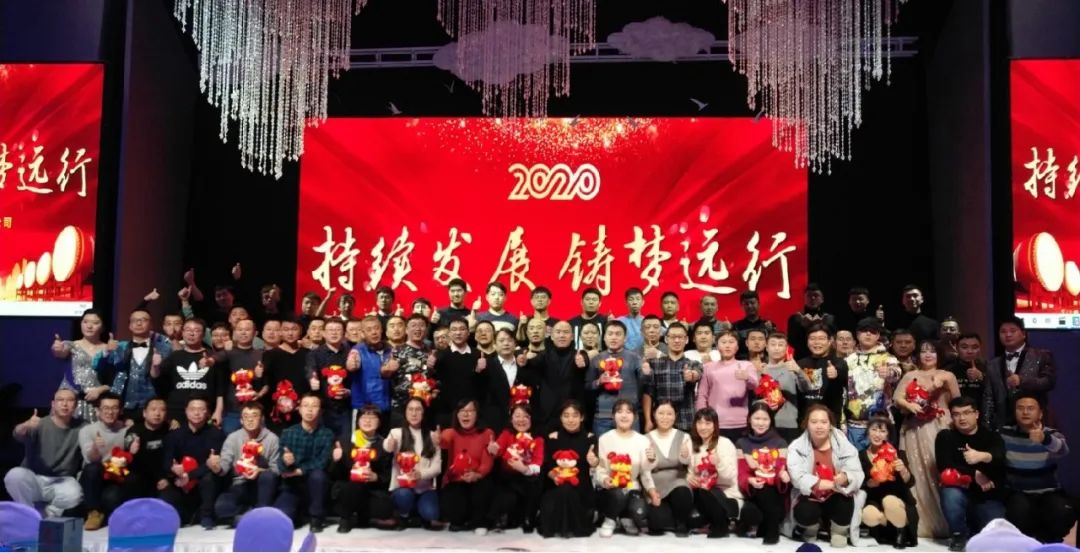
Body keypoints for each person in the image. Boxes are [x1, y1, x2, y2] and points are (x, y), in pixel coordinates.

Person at [893, 340, 959, 539]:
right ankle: (921, 522)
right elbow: (897, 398)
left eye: (932, 351)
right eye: (923, 351)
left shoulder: (948, 375)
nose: (927, 355)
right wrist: (909, 405)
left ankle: (948, 522)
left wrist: (942, 383)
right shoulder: (910, 375)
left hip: (940, 426)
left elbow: (957, 402)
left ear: (939, 355)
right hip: (915, 428)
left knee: (938, 469)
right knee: (916, 472)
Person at [783, 403, 864, 548]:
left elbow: (856, 471)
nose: (819, 426)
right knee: (804, 511)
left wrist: (846, 477)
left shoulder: (843, 444)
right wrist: (831, 484)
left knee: (845, 502)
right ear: (806, 424)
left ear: (830, 424)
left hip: (837, 495)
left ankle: (839, 532)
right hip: (812, 496)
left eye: (824, 422)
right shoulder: (796, 447)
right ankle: (811, 529)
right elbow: (797, 477)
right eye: (814, 422)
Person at [934, 395, 1007, 551]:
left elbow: (1000, 458)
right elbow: (945, 466)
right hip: (960, 489)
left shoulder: (991, 436)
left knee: (993, 536)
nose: (962, 418)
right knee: (950, 493)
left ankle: (976, 529)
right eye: (956, 414)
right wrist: (975, 474)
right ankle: (958, 535)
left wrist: (983, 456)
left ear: (977, 414)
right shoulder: (945, 436)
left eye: (967, 412)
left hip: (987, 493)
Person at [1001, 392, 1075, 543]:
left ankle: (1049, 542)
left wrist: (1044, 439)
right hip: (1017, 491)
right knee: (1019, 512)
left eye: (1030, 408)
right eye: (1020, 408)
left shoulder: (1051, 434)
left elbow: (1063, 449)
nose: (1025, 412)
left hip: (1048, 491)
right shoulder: (1004, 433)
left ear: (1040, 413)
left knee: (1062, 512)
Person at [5, 389, 85, 518]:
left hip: (62, 480)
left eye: (70, 400)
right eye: (60, 400)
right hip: (34, 478)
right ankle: (28, 514)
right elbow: (17, 434)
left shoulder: (82, 427)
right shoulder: (39, 424)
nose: (65, 404)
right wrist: (26, 425)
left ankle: (45, 515)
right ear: (53, 404)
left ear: (75, 405)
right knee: (14, 476)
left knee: (75, 495)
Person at [159, 395, 227, 528]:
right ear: (186, 411)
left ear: (207, 412)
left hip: (203, 480)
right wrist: (173, 469)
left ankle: (207, 516)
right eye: (192, 409)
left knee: (209, 478)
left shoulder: (216, 434)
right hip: (180, 481)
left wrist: (189, 476)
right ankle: (184, 516)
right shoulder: (174, 435)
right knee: (165, 496)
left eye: (201, 409)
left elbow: (212, 464)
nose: (196, 413)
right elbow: (166, 460)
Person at [97, 309, 173, 421]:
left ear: (151, 325)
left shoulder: (163, 349)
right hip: (123, 405)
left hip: (152, 406)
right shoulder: (119, 347)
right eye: (135, 320)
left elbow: (167, 378)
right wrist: (107, 352)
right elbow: (101, 370)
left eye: (143, 320)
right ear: (129, 326)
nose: (139, 323)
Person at [212, 402, 280, 527]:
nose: (250, 419)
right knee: (221, 507)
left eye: (254, 415)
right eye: (246, 416)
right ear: (241, 420)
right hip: (240, 484)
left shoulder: (272, 439)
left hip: (263, 486)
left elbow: (277, 469)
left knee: (268, 477)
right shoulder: (233, 438)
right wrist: (216, 467)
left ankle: (259, 513)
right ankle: (250, 513)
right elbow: (224, 466)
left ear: (262, 418)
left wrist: (259, 471)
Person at [594, 399, 656, 537]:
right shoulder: (604, 439)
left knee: (639, 511)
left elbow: (645, 471)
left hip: (632, 487)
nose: (624, 415)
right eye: (619, 411)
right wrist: (604, 479)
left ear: (635, 416)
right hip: (611, 487)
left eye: (628, 412)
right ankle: (610, 519)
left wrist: (651, 489)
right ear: (613, 416)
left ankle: (625, 516)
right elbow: (600, 468)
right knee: (618, 494)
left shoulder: (642, 440)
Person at [983, 316, 1056, 430]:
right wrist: (986, 427)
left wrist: (1022, 381)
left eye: (1012, 331)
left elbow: (1048, 382)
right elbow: (989, 397)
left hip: (1034, 424)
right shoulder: (993, 364)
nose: (1008, 335)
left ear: (1023, 334)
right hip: (1003, 425)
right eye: (1003, 332)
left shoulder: (1041, 356)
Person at [538, 400, 598, 538]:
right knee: (562, 490)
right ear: (560, 417)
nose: (571, 420)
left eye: (575, 415)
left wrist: (594, 461)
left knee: (568, 490)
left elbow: (595, 463)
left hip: (580, 486)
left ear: (582, 417)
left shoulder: (590, 438)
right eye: (566, 415)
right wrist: (554, 476)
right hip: (556, 484)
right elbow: (547, 466)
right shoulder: (553, 437)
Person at [274, 394, 334, 531]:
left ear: (321, 411)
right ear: (299, 410)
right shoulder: (288, 433)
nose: (309, 409)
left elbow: (323, 461)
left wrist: (300, 471)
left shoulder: (327, 434)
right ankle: (299, 513)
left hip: (315, 485)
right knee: (283, 519)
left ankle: (316, 518)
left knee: (318, 475)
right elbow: (280, 464)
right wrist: (286, 462)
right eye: (305, 406)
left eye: (314, 406)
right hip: (293, 485)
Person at [330, 405, 393, 533]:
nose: (367, 421)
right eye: (364, 417)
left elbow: (387, 474)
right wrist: (337, 460)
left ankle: (363, 515)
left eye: (372, 417)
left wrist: (376, 477)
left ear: (379, 422)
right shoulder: (345, 440)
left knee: (385, 509)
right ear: (358, 421)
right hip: (348, 487)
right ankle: (345, 518)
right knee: (354, 484)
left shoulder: (384, 444)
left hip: (371, 490)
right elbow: (332, 473)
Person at [859, 415, 919, 548]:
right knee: (868, 515)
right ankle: (890, 528)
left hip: (899, 501)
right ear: (868, 432)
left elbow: (910, 482)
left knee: (889, 501)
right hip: (876, 501)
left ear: (888, 435)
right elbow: (859, 483)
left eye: (882, 431)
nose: (877, 434)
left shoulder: (897, 453)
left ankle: (902, 531)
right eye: (874, 430)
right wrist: (869, 483)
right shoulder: (861, 455)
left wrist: (903, 470)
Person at [439, 399, 496, 534]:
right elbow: (444, 442)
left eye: (470, 411)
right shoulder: (451, 432)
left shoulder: (487, 433)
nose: (465, 414)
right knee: (455, 517)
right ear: (457, 414)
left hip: (478, 478)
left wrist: (477, 475)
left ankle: (480, 522)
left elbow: (486, 463)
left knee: (482, 489)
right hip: (456, 479)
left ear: (477, 414)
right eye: (462, 411)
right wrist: (438, 440)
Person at [735, 403, 790, 545]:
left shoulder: (780, 443)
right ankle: (769, 527)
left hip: (775, 490)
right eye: (757, 418)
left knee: (768, 488)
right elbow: (742, 473)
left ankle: (770, 529)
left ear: (771, 421)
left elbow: (780, 470)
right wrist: (750, 480)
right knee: (761, 489)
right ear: (749, 419)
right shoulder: (742, 443)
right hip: (753, 490)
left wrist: (782, 476)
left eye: (765, 419)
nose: (761, 423)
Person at [384, 397, 442, 528]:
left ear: (423, 412)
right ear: (405, 412)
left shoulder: (433, 436)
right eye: (410, 409)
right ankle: (404, 514)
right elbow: (387, 446)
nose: (414, 413)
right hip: (403, 488)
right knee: (404, 496)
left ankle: (418, 512)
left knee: (431, 513)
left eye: (418, 409)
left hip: (425, 488)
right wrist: (389, 445)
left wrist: (420, 474)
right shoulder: (396, 433)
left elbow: (437, 468)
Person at [155, 318, 224, 428]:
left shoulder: (212, 357)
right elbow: (158, 380)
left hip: (204, 412)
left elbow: (220, 389)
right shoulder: (175, 356)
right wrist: (154, 365)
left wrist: (218, 411)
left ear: (203, 335)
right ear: (182, 333)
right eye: (188, 330)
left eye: (196, 330)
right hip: (176, 411)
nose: (192, 333)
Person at [843, 317, 901, 449]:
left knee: (882, 461)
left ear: (878, 335)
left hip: (881, 425)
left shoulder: (888, 358)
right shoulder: (848, 360)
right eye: (864, 330)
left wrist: (889, 373)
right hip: (854, 424)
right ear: (857, 334)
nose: (868, 333)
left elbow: (896, 373)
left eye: (873, 331)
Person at [686, 406, 744, 538]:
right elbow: (690, 472)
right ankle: (718, 521)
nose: (703, 427)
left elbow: (730, 477)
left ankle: (721, 524)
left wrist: (718, 464)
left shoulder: (724, 443)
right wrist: (689, 477)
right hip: (702, 493)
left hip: (725, 492)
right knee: (692, 518)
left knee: (706, 491)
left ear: (715, 425)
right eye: (699, 423)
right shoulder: (693, 445)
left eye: (708, 423)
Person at [486, 403, 545, 532]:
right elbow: (498, 450)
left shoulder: (538, 439)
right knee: (505, 493)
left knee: (534, 485)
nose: (521, 420)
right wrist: (492, 450)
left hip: (529, 479)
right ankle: (499, 517)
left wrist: (524, 469)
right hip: (508, 478)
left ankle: (529, 518)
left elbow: (538, 464)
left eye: (525, 416)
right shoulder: (507, 434)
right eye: (517, 416)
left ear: (531, 419)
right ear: (511, 419)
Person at [585, 321, 649, 435]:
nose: (613, 337)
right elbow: (587, 385)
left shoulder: (634, 357)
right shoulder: (596, 359)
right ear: (604, 337)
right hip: (603, 417)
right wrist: (599, 381)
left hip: (629, 415)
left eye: (618, 334)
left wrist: (647, 372)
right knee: (602, 447)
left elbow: (645, 379)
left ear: (625, 338)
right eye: (610, 334)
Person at [77, 392, 129, 530]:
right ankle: (93, 512)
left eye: (114, 408)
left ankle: (106, 515)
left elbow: (129, 459)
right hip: (92, 478)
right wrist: (95, 447)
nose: (110, 412)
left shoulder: (126, 430)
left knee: (112, 498)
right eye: (106, 408)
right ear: (98, 411)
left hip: (114, 477)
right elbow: (90, 459)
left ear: (120, 411)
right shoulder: (87, 430)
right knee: (93, 468)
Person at [52, 309, 113, 422]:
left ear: (103, 327)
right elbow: (60, 352)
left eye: (95, 323)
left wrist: (99, 390)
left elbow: (116, 378)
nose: (89, 326)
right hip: (71, 400)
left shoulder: (108, 348)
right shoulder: (71, 345)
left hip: (95, 400)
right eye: (85, 322)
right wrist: (57, 349)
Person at [696, 330, 758, 442]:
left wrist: (747, 377)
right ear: (717, 346)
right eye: (723, 342)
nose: (727, 345)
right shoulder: (708, 367)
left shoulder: (746, 365)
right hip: (714, 422)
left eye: (731, 342)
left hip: (741, 422)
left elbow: (755, 385)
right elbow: (702, 395)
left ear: (737, 347)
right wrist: (702, 419)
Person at [527, 321, 588, 433]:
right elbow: (530, 364)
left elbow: (585, 361)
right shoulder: (544, 355)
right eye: (558, 332)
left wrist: (583, 361)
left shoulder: (579, 355)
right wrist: (522, 357)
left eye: (566, 332)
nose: (562, 335)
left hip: (572, 414)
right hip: (547, 415)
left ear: (572, 336)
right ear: (552, 336)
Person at [643, 401, 693, 537]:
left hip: (678, 483)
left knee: (682, 492)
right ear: (654, 415)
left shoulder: (684, 437)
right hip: (656, 486)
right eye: (661, 413)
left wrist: (685, 456)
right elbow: (644, 470)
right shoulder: (645, 439)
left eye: (669, 414)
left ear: (675, 416)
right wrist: (651, 491)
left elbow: (690, 464)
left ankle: (681, 523)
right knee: (656, 525)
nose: (665, 417)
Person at [642, 323, 701, 432]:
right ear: (666, 339)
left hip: (686, 421)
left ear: (686, 340)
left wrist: (691, 376)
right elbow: (648, 394)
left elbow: (697, 374)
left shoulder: (694, 364)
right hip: (661, 421)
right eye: (673, 337)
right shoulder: (654, 364)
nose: (677, 340)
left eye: (680, 337)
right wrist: (648, 420)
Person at [428, 318, 483, 428]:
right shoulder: (439, 356)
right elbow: (432, 382)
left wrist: (479, 371)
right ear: (449, 333)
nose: (458, 333)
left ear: (468, 332)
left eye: (462, 329)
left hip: (471, 412)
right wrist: (430, 367)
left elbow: (482, 386)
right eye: (454, 329)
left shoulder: (478, 355)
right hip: (446, 412)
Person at [757, 332, 811, 441]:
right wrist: (762, 402)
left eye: (780, 345)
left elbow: (807, 388)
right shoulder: (761, 371)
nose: (776, 348)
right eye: (773, 344)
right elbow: (753, 399)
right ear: (766, 347)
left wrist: (798, 371)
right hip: (763, 424)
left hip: (788, 424)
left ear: (786, 348)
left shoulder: (792, 368)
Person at [480, 329, 535, 433]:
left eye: (509, 340)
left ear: (515, 344)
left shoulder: (524, 365)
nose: (506, 343)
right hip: (495, 422)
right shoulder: (487, 366)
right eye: (501, 340)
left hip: (522, 422)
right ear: (495, 345)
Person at [306, 318, 352, 437]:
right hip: (323, 409)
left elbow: (356, 379)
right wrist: (312, 379)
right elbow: (310, 369)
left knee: (345, 443)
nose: (334, 333)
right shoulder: (315, 354)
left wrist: (349, 392)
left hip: (345, 408)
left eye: (338, 330)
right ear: (324, 333)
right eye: (330, 330)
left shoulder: (350, 353)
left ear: (344, 333)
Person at [796, 323, 848, 423]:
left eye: (821, 338)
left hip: (829, 422)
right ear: (807, 342)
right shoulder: (800, 364)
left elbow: (841, 373)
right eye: (812, 338)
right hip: (805, 422)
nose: (817, 342)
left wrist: (835, 373)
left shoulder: (838, 362)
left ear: (830, 341)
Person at [347, 316, 394, 426]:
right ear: (363, 333)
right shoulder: (357, 350)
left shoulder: (390, 349)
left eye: (376, 328)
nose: (374, 332)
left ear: (381, 330)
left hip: (385, 406)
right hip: (363, 408)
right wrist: (351, 364)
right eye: (369, 330)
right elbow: (351, 363)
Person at [123, 398, 170, 503]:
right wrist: (131, 452)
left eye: (162, 410)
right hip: (140, 476)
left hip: (163, 476)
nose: (157, 413)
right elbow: (126, 457)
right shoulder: (134, 431)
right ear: (144, 413)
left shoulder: (170, 430)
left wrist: (166, 478)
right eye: (153, 409)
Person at [786, 283, 837, 361]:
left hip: (825, 359)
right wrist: (802, 328)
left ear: (822, 299)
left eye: (816, 295)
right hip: (802, 359)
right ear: (804, 298)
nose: (812, 298)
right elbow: (791, 342)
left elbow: (833, 341)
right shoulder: (795, 318)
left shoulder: (830, 318)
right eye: (809, 295)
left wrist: (822, 327)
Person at [733, 290, 774, 357]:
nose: (750, 306)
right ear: (742, 306)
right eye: (746, 304)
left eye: (752, 303)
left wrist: (771, 332)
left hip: (764, 361)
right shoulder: (736, 326)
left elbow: (774, 346)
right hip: (742, 361)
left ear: (758, 304)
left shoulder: (768, 326)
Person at [949, 332, 987, 402]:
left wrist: (981, 377)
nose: (970, 351)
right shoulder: (949, 370)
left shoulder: (989, 367)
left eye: (974, 347)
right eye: (964, 347)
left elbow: (997, 391)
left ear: (980, 348)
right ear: (956, 348)